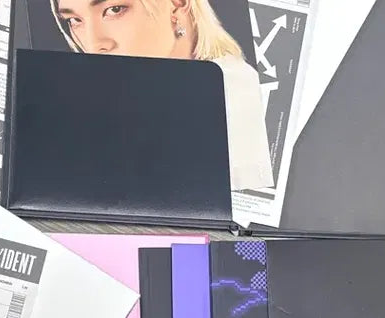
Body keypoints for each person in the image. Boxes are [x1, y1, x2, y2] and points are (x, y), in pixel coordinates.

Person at [49, 0, 272, 193]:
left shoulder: (236, 96)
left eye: (114, 9)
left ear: (177, 4)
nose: (93, 45)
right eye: (75, 20)